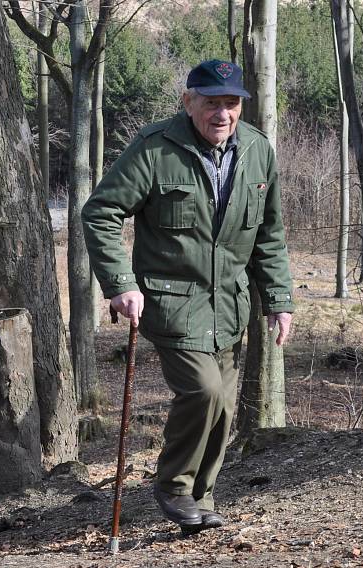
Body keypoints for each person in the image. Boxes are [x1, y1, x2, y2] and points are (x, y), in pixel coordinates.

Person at [81, 59, 295, 532]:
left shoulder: (258, 151)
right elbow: (101, 212)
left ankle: (201, 497)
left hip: (229, 304)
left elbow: (269, 235)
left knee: (223, 404)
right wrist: (120, 284)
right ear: (188, 101)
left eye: (231, 103)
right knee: (204, 390)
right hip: (171, 302)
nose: (223, 113)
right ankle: (175, 486)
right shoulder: (156, 149)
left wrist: (279, 299)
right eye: (212, 102)